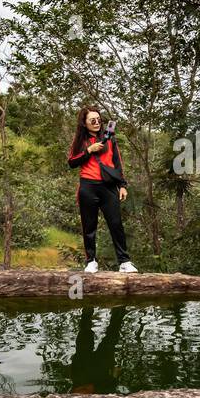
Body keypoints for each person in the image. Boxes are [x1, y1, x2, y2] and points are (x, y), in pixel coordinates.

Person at [67, 106, 137, 274]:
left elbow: (117, 162)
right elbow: (72, 162)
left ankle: (124, 261)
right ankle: (91, 261)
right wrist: (88, 151)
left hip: (108, 187)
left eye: (99, 119)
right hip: (88, 186)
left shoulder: (109, 138)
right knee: (89, 226)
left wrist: (122, 185)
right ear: (84, 123)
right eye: (92, 120)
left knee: (116, 224)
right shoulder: (80, 142)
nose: (97, 122)